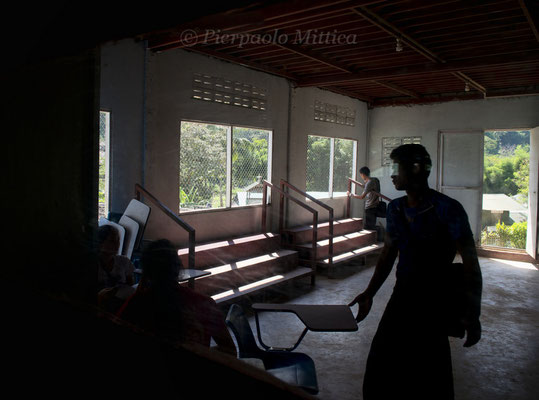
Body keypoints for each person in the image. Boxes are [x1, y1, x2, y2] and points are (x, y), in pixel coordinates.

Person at [349, 144, 482, 400]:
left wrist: (472, 313)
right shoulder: (397, 209)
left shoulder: (448, 209)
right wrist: (369, 293)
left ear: (417, 170)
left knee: (430, 372)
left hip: (434, 299)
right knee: (380, 367)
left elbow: (470, 264)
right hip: (403, 295)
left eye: (396, 168)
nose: (392, 175)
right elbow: (388, 256)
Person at [117, 239, 236, 356]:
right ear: (178, 267)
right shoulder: (204, 304)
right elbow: (229, 350)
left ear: (145, 272)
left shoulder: (136, 305)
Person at [97, 224, 136, 312]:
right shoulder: (92, 264)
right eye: (112, 241)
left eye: (118, 240)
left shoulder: (124, 262)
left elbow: (130, 285)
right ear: (100, 243)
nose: (117, 244)